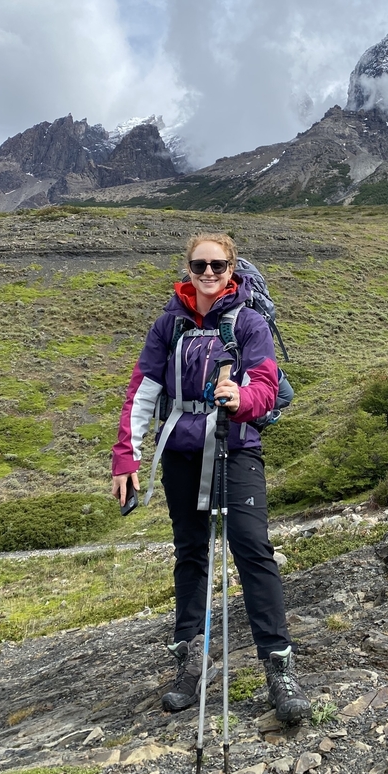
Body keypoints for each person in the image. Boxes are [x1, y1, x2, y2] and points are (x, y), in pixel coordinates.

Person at [111, 233, 311, 723]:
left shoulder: (249, 322)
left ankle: (279, 668)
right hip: (181, 453)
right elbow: (144, 389)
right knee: (191, 552)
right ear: (187, 267)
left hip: (235, 446)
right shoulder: (167, 325)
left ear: (231, 266)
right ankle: (190, 665)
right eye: (199, 265)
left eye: (217, 265)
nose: (207, 273)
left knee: (252, 549)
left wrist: (242, 400)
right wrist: (125, 457)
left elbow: (264, 382)